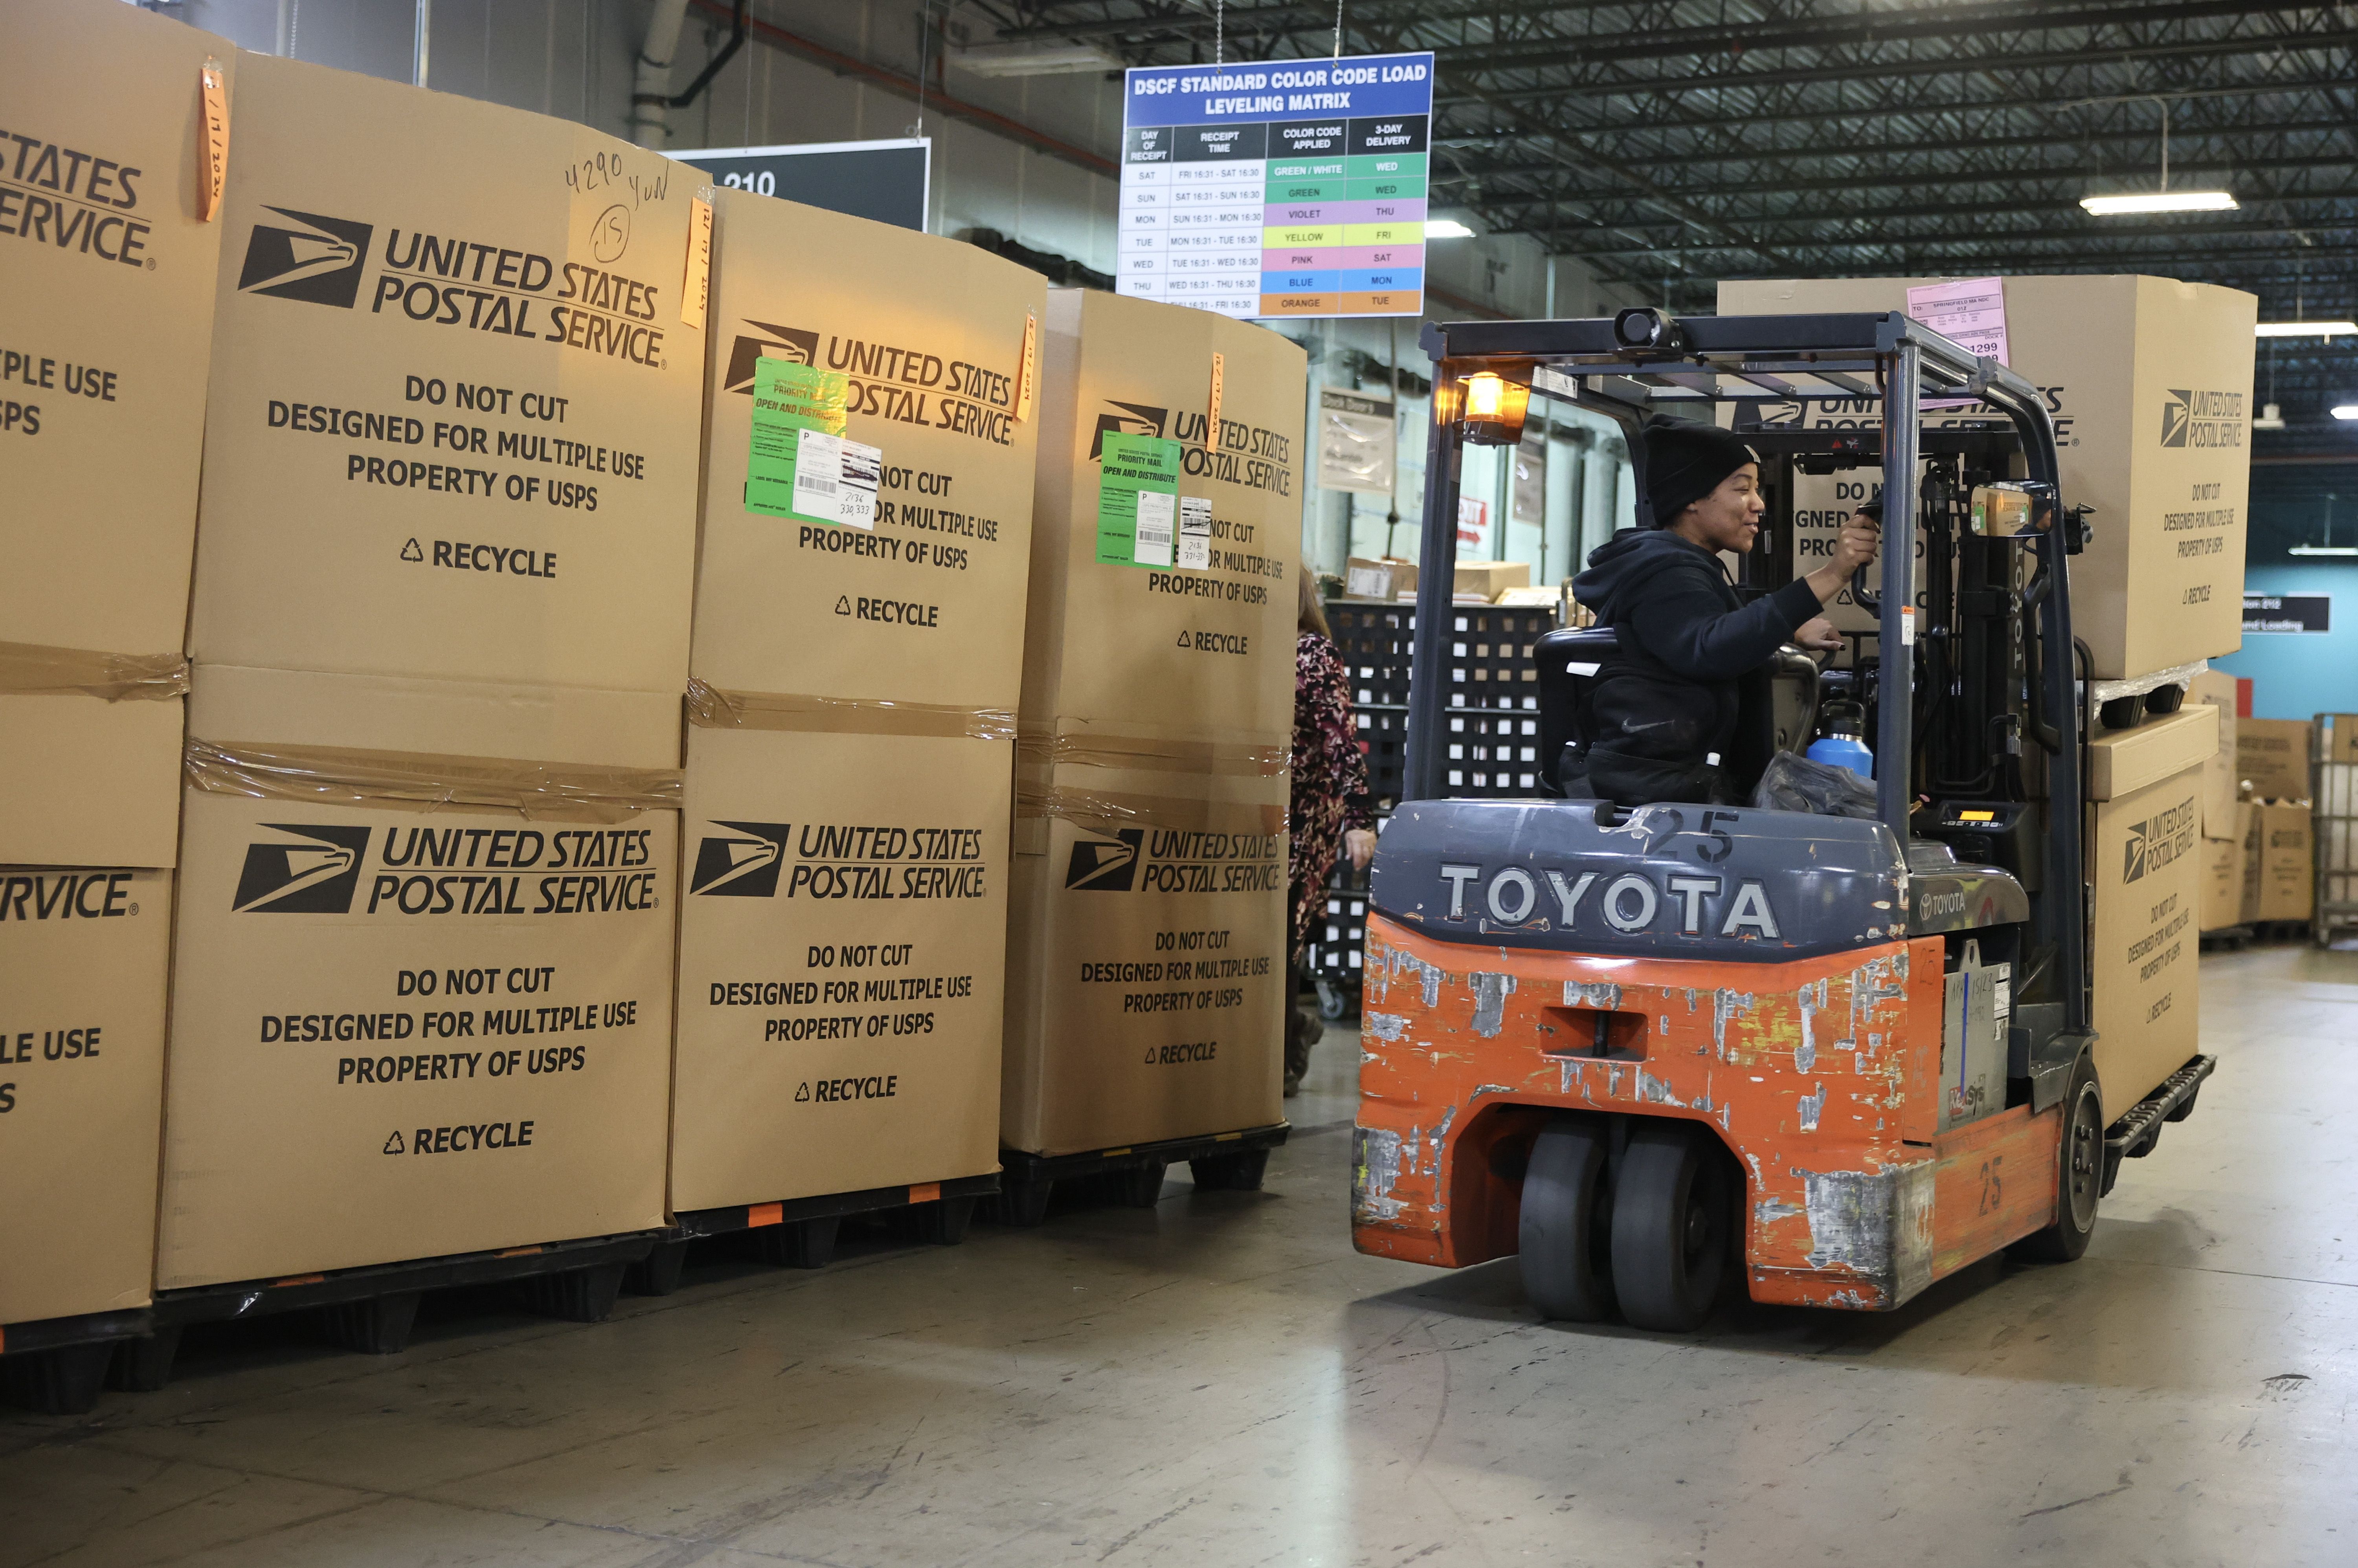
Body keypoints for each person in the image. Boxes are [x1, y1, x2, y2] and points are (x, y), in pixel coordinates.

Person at [1566, 416, 1881, 807]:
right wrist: (1835, 574)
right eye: (1742, 489)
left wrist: (1788, 635)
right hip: (1662, 800)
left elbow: (1699, 625)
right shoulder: (1664, 571)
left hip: (1681, 786)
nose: (1759, 504)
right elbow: (1708, 647)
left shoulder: (1680, 569)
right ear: (1692, 499)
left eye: (1758, 489)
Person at [1287, 567, 1377, 1096]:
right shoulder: (1246, 647)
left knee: (1282, 937)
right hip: (1265, 815)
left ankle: (1287, 1046)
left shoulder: (1313, 653)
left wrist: (1360, 822)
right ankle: (1291, 1032)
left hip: (1305, 820)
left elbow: (1342, 738)